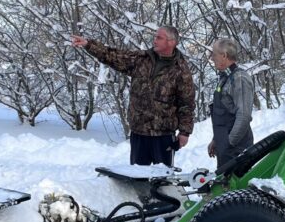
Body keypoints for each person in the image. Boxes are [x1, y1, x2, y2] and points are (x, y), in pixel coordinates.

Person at [71, 27, 195, 166]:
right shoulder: (141, 59)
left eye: (159, 38)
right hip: (139, 133)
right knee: (137, 180)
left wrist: (185, 132)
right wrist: (88, 44)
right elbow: (113, 56)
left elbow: (186, 104)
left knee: (162, 180)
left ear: (172, 42)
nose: (154, 40)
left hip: (163, 136)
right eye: (155, 37)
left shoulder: (181, 70)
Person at [207, 38, 255, 168]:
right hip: (225, 147)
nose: (211, 58)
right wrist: (216, 140)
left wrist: (229, 142)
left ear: (224, 56)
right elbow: (224, 115)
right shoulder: (225, 78)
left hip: (236, 149)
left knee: (233, 187)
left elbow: (243, 116)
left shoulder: (239, 78)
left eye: (214, 54)